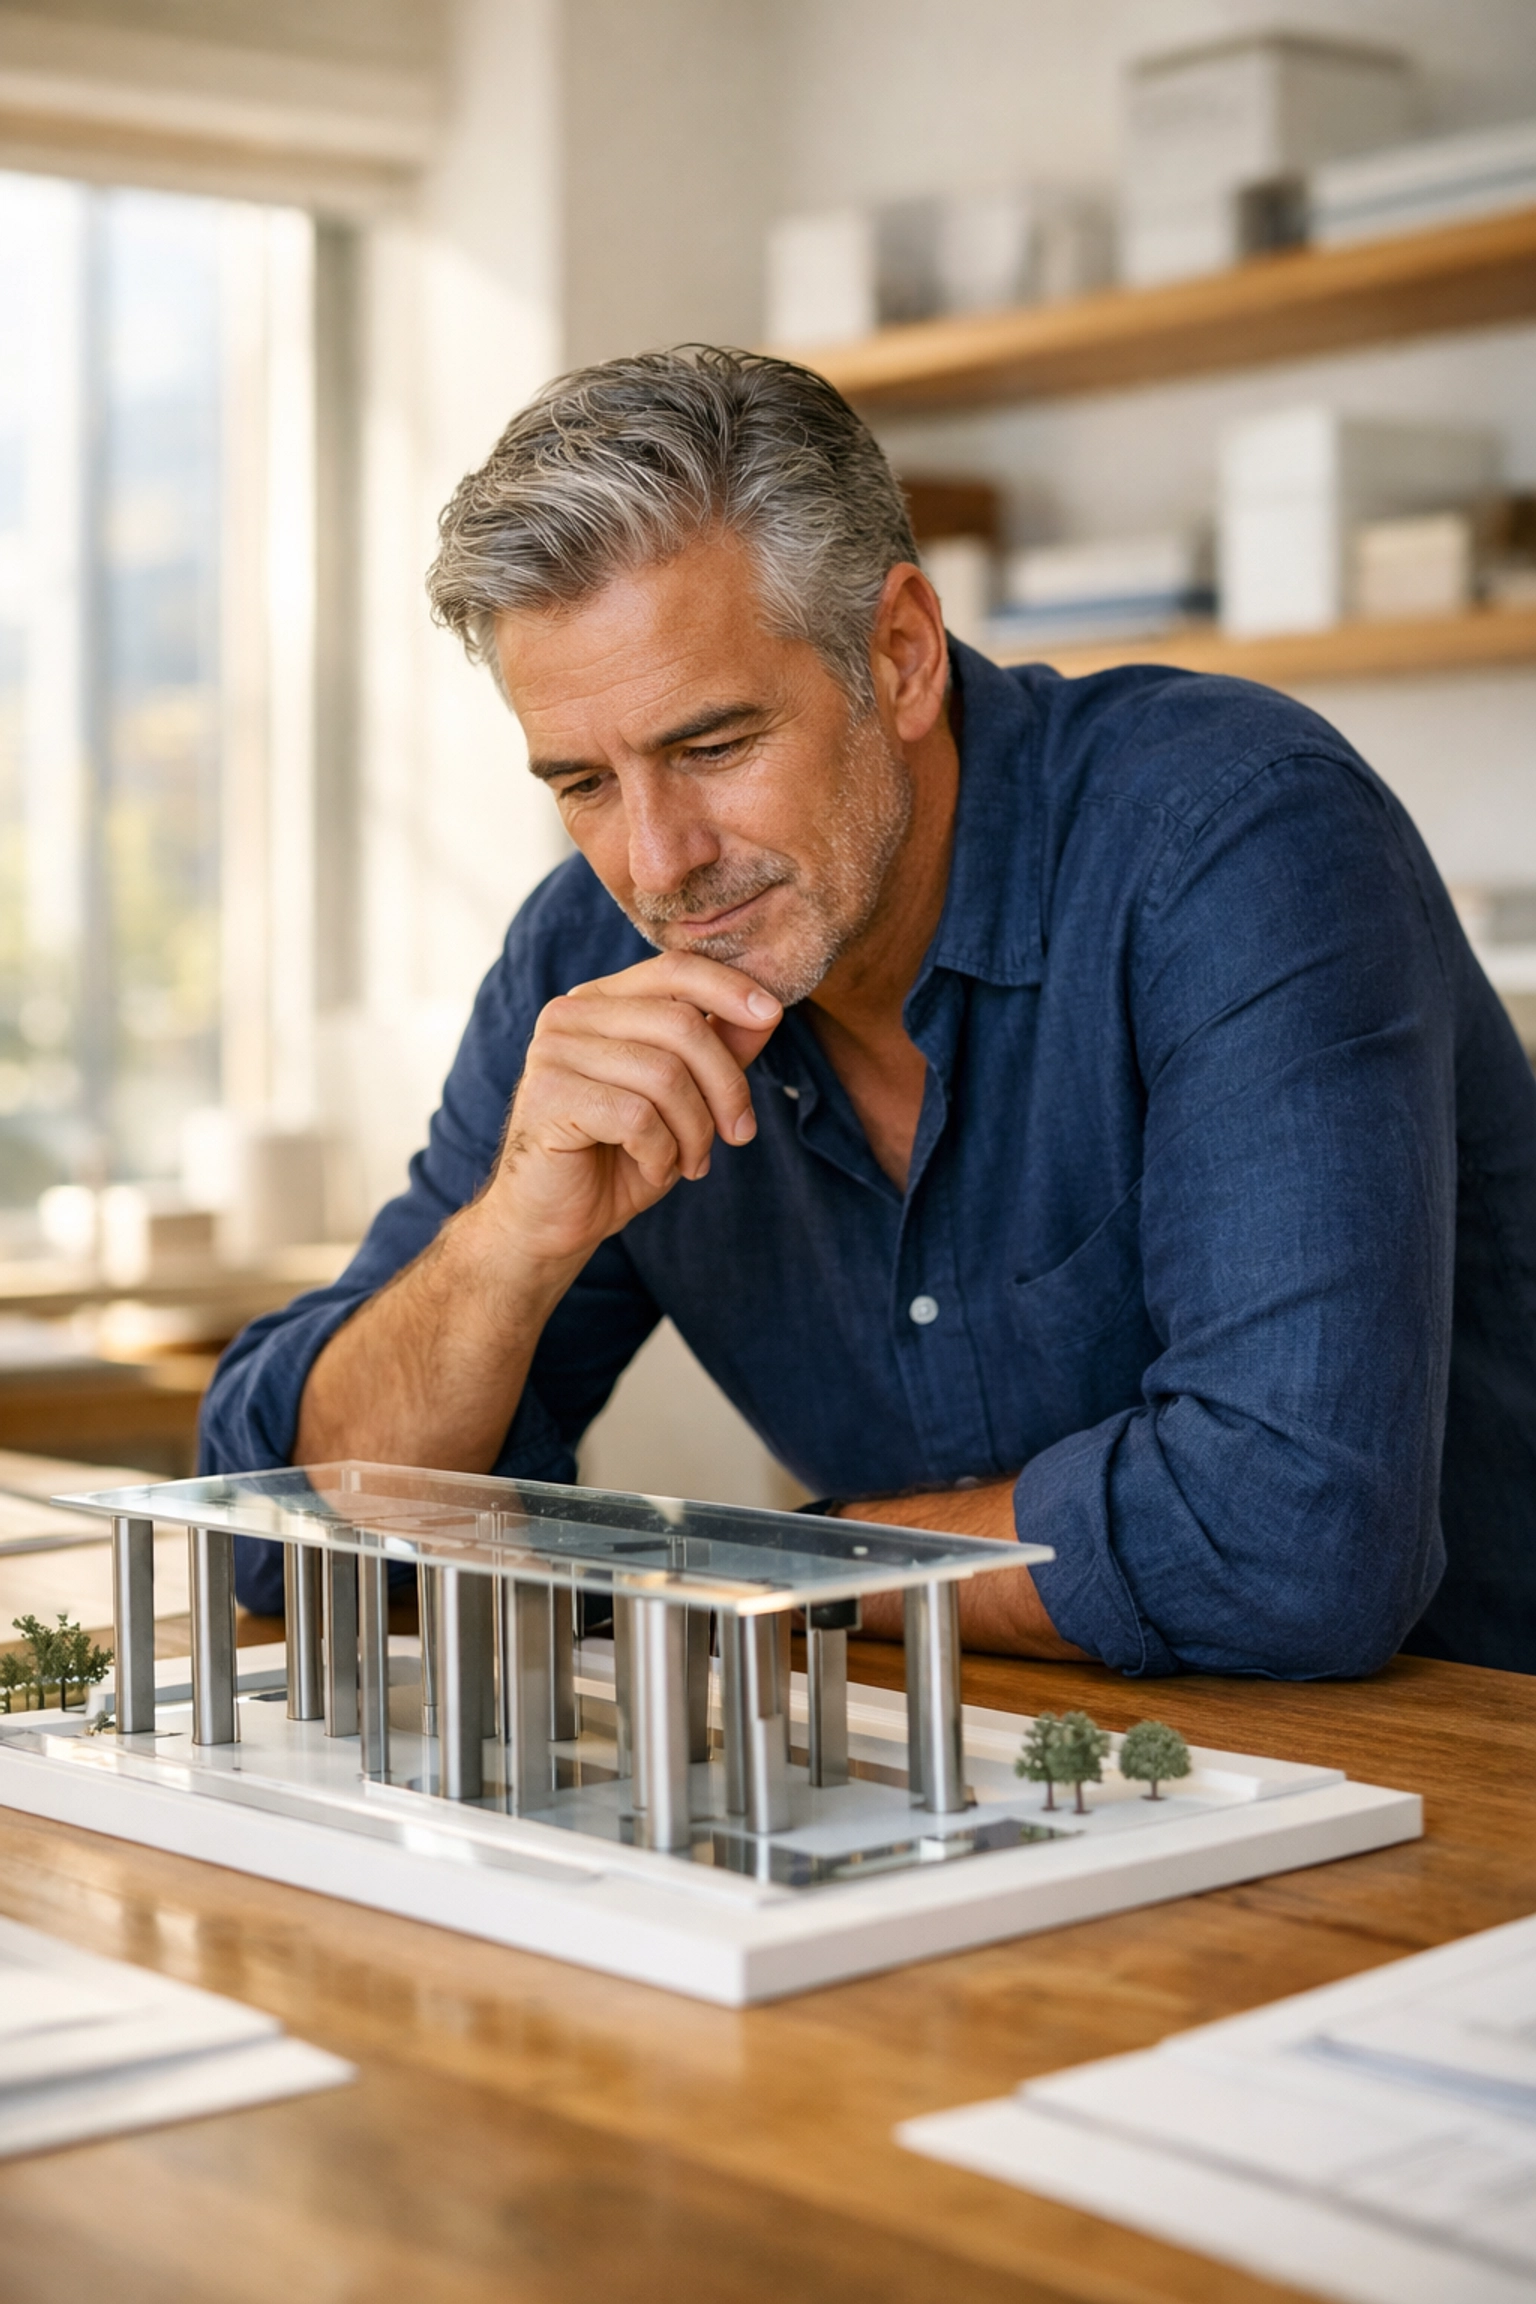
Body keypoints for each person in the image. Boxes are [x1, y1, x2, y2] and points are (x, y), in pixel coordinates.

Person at [203, 346, 1536, 1678]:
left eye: (712, 748)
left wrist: (778, 1564)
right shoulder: (585, 955)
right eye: (582, 785)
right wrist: (507, 1246)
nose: (658, 865)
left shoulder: (1236, 841)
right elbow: (273, 1534)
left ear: (899, 655)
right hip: (967, 1753)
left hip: (1450, 1755)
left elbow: (1294, 1542)